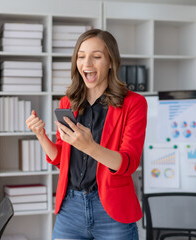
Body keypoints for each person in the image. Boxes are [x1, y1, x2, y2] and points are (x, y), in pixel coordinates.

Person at [26, 29, 147, 240]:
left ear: (111, 62)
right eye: (81, 56)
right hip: (70, 209)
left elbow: (129, 163)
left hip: (113, 212)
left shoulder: (133, 104)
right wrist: (40, 135)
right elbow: (61, 159)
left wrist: (90, 147)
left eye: (96, 56)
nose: (87, 63)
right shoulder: (68, 103)